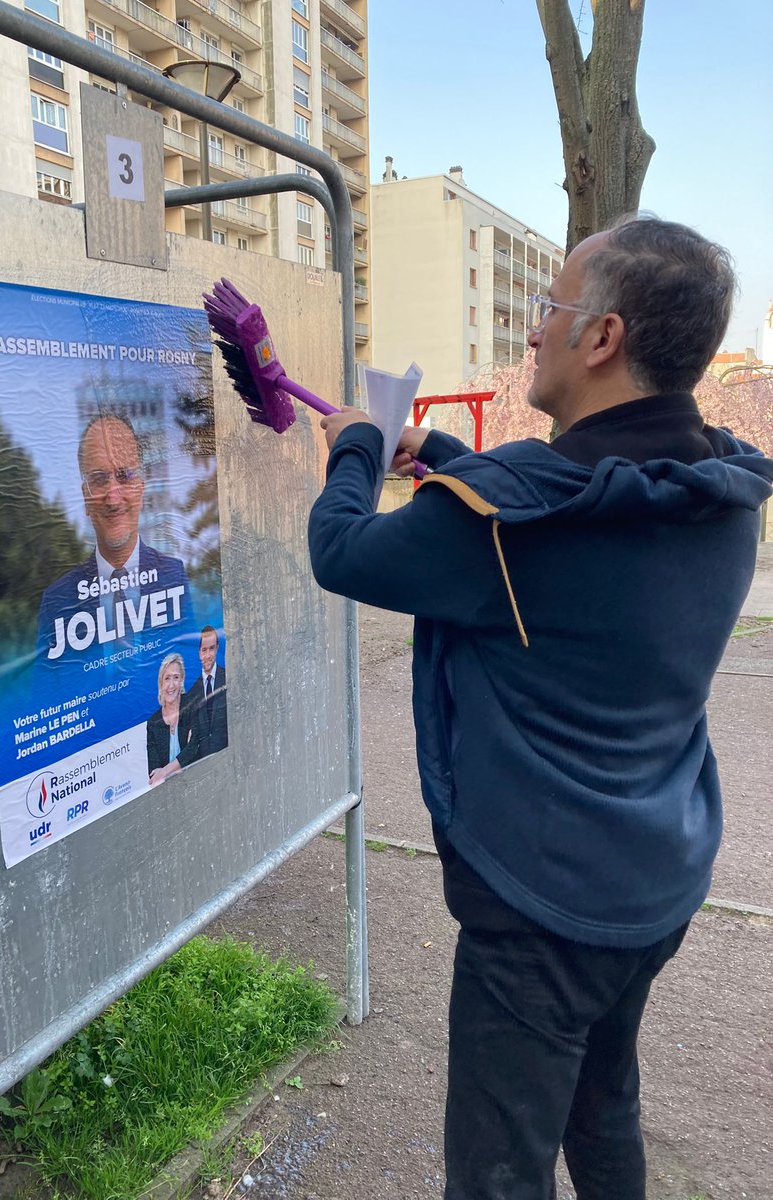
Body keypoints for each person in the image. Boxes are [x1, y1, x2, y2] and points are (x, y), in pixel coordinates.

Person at [307, 216, 773, 1200]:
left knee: (498, 1170)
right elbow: (567, 495)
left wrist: (356, 447)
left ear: (601, 336)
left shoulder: (507, 521)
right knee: (605, 1108)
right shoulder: (720, 494)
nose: (531, 331)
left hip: (537, 910)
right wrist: (431, 449)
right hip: (654, 885)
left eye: (549, 309)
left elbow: (344, 551)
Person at [34, 413, 191, 713]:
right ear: (85, 496)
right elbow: (45, 704)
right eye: (98, 479)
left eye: (124, 475)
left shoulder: (175, 576)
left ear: (141, 488)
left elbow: (190, 671)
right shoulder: (56, 601)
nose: (113, 496)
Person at [146, 652, 199, 785]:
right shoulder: (153, 724)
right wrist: (183, 760)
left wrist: (164, 771)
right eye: (167, 678)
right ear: (160, 683)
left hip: (197, 781)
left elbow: (196, 747)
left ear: (181, 680)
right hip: (169, 792)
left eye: (176, 677)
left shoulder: (192, 704)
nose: (171, 685)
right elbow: (154, 774)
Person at [181, 625, 228, 760]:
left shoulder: (228, 678)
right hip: (204, 763)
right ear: (199, 653)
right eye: (204, 650)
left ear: (217, 648)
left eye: (212, 649)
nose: (208, 655)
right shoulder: (192, 693)